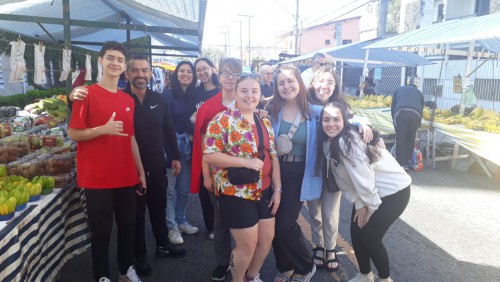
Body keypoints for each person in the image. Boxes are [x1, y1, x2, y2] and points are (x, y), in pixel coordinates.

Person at [69, 55, 187, 278]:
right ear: (127, 73)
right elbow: (81, 110)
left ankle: (162, 245)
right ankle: (138, 257)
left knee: (157, 207)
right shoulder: (120, 96)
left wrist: (175, 156)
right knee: (135, 216)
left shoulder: (158, 99)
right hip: (126, 167)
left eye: (144, 70)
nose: (140, 74)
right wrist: (71, 96)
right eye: (135, 70)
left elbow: (168, 128)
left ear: (150, 73)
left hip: (153, 163)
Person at [67, 41, 146, 282]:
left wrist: (140, 172)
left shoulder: (128, 100)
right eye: (110, 58)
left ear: (124, 67)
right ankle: (101, 275)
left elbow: (131, 138)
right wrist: (102, 129)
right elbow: (74, 133)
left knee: (127, 227)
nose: (115, 63)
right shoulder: (85, 93)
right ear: (100, 61)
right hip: (97, 177)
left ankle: (125, 270)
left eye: (120, 60)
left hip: (125, 175)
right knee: (101, 231)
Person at [317, 102, 411, 282]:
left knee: (370, 238)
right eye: (326, 120)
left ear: (345, 120)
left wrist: (370, 207)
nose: (331, 124)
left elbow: (364, 178)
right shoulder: (327, 142)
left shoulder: (348, 141)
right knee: (357, 234)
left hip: (394, 191)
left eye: (336, 119)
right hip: (369, 192)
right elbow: (343, 180)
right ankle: (365, 275)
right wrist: (359, 204)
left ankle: (385, 279)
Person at [203, 74, 282, 282]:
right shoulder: (222, 120)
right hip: (235, 191)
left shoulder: (264, 119)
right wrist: (245, 162)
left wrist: (278, 189)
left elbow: (273, 156)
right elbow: (210, 155)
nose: (249, 96)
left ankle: (252, 276)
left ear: (260, 94)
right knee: (246, 246)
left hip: (264, 190)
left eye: (254, 91)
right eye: (244, 91)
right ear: (236, 93)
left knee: (266, 240)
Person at [306, 66, 373, 272]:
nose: (324, 85)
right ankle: (318, 245)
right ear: (312, 83)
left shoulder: (340, 106)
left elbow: (354, 118)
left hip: (333, 169)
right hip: (310, 168)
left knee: (330, 212)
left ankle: (331, 248)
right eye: (321, 80)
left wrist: (365, 122)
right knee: (314, 210)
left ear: (335, 86)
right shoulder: (305, 104)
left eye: (330, 82)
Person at [190, 57, 242, 281]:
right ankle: (222, 262)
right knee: (220, 223)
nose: (230, 78)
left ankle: (242, 261)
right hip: (219, 175)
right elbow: (203, 145)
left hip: (245, 176)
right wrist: (206, 175)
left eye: (235, 74)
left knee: (244, 223)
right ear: (218, 76)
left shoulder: (248, 102)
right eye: (226, 74)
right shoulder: (209, 107)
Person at [268, 64, 322, 282]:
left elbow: (344, 117)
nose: (286, 86)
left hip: (299, 172)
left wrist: (364, 124)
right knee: (272, 221)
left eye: (290, 80)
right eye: (281, 82)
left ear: (299, 82)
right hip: (274, 171)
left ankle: (306, 264)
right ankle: (285, 266)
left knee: (285, 223)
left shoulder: (315, 111)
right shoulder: (271, 110)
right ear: (276, 87)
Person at [162, 61, 200, 245]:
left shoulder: (194, 95)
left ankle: (181, 219)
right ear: (176, 74)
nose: (185, 74)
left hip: (188, 148)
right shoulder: (168, 94)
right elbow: (164, 123)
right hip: (171, 146)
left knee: (184, 189)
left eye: (189, 72)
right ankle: (171, 226)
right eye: (182, 71)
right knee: (170, 189)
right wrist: (170, 151)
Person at [192, 57, 221, 240]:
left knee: (222, 185)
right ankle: (211, 226)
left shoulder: (222, 91)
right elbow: (189, 116)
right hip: (201, 144)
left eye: (205, 68)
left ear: (212, 68)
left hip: (222, 146)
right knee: (205, 185)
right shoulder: (194, 93)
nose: (202, 72)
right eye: (198, 70)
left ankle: (224, 224)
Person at [390, 84, 424, 170]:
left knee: (401, 139)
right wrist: (418, 124)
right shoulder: (419, 93)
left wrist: (394, 120)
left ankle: (401, 164)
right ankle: (408, 162)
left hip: (401, 113)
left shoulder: (398, 89)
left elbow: (393, 106)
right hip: (416, 115)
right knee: (410, 139)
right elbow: (421, 108)